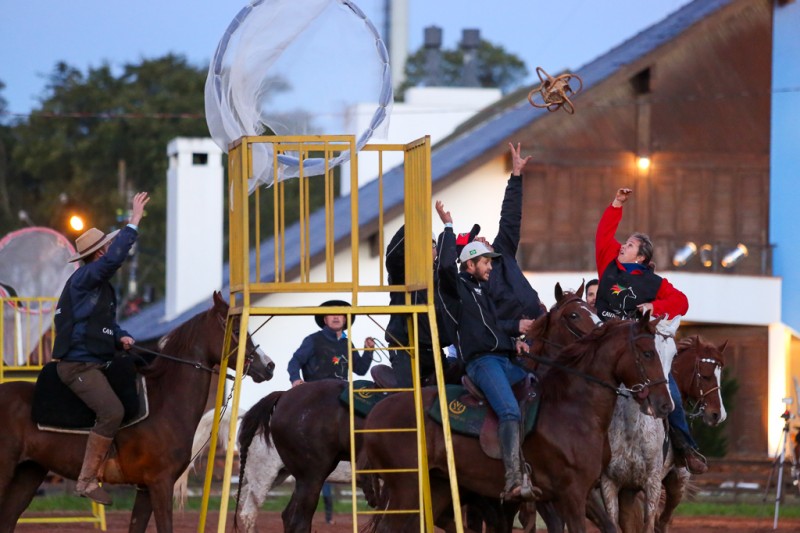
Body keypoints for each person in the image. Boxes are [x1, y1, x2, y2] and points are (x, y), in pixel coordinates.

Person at [595, 187, 707, 474]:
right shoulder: (609, 262)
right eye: (625, 243)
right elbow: (603, 234)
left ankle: (684, 448)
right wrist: (617, 204)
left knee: (670, 391)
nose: (623, 246)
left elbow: (682, 301)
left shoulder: (654, 283)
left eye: (630, 245)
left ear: (642, 257)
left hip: (635, 348)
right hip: (604, 343)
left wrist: (653, 307)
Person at [436, 200, 538, 501]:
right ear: (470, 264)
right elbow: (444, 265)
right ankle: (511, 481)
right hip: (482, 364)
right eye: (486, 262)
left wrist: (515, 339)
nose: (491, 267)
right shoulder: (456, 288)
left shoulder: (484, 292)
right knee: (508, 410)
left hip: (506, 359)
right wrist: (448, 227)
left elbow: (496, 327)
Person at [52, 191, 150, 505]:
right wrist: (133, 222)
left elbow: (102, 325)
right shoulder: (87, 277)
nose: (110, 250)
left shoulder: (96, 285)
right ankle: (85, 481)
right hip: (78, 366)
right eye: (106, 247)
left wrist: (120, 335)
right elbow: (115, 259)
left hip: (95, 362)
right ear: (99, 253)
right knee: (112, 411)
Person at [287, 299, 376, 523]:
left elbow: (361, 369)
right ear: (325, 320)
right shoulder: (313, 340)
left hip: (341, 395)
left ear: (345, 320)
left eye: (341, 315)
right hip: (317, 396)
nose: (337, 317)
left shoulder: (348, 342)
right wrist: (296, 380)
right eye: (332, 314)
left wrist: (368, 351)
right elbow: (294, 362)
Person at [385, 225, 442, 388]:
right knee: (408, 396)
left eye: (431, 246)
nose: (427, 250)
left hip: (432, 346)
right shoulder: (402, 272)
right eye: (420, 246)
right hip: (403, 345)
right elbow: (392, 256)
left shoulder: (442, 275)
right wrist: (412, 223)